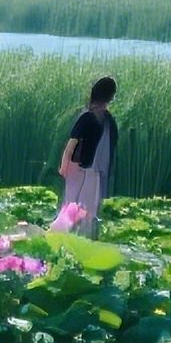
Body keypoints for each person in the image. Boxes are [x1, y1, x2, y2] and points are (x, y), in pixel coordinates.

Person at [58, 74, 118, 234]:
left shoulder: (88, 117)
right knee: (86, 208)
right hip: (92, 170)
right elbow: (110, 149)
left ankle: (67, 236)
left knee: (73, 205)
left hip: (79, 167)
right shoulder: (108, 121)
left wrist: (64, 166)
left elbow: (71, 144)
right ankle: (81, 236)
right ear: (111, 97)